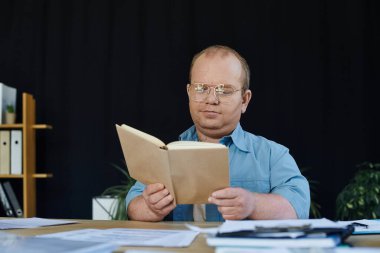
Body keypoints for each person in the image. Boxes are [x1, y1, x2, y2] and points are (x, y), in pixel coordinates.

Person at [125, 45, 310, 221]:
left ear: (245, 100)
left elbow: (297, 207)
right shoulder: (165, 155)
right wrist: (149, 207)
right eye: (201, 88)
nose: (211, 99)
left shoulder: (272, 155)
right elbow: (133, 204)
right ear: (189, 93)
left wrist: (253, 204)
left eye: (224, 90)